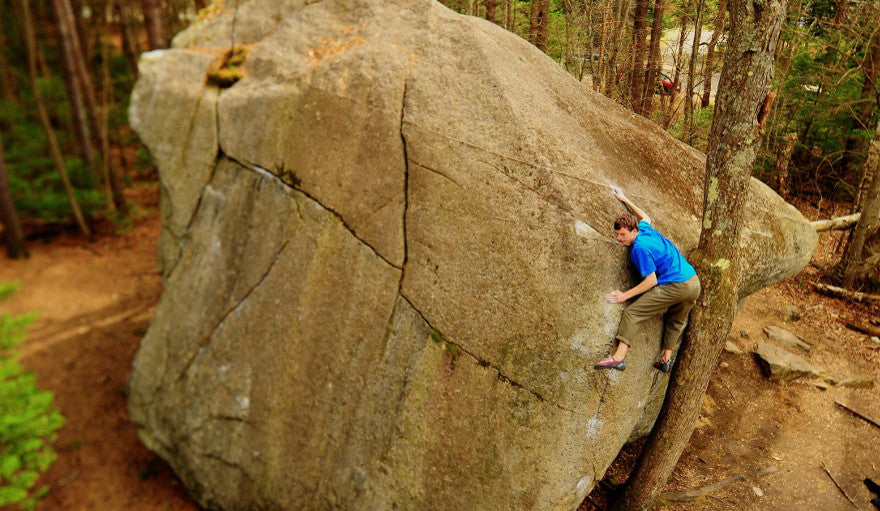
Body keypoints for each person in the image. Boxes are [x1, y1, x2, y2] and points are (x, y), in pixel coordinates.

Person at [593, 189, 701, 372]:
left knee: (632, 313)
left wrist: (624, 296)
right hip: (693, 283)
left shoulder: (639, 248)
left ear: (633, 231)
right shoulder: (644, 230)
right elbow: (646, 216)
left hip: (677, 285)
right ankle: (666, 359)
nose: (619, 239)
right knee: (676, 320)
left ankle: (618, 358)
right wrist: (625, 199)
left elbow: (651, 281)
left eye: (623, 235)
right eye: (618, 235)